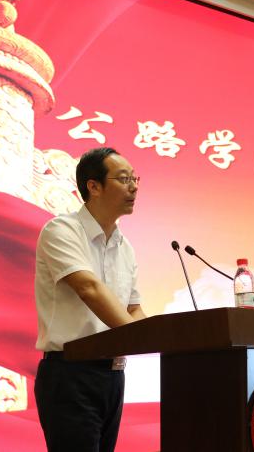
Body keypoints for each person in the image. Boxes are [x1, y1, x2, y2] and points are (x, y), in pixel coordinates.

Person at [33, 147, 146, 452]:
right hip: (71, 374)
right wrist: (141, 338)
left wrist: (160, 339)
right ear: (94, 186)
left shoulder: (124, 246)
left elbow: (133, 308)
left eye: (135, 179)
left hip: (113, 375)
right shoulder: (62, 230)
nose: (134, 187)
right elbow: (89, 288)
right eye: (124, 179)